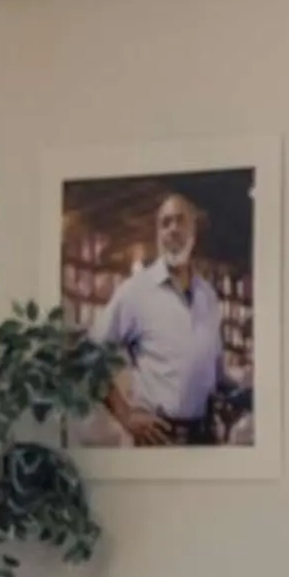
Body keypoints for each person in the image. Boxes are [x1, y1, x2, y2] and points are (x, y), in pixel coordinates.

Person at [93, 189, 225, 443]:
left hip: (205, 438)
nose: (173, 229)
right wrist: (125, 415)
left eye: (180, 220)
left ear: (194, 231)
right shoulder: (135, 292)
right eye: (165, 223)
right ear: (158, 235)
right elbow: (89, 356)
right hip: (157, 439)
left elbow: (215, 373)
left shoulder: (208, 296)